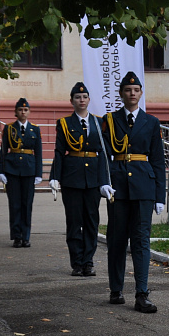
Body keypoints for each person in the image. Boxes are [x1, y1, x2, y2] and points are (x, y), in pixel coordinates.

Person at [101, 71, 166, 313]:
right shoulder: (109, 120)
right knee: (117, 239)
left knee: (141, 241)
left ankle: (142, 293)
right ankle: (116, 289)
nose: (132, 93)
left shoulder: (151, 122)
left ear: (141, 93)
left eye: (136, 90)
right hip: (118, 184)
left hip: (143, 186)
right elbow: (102, 155)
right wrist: (103, 181)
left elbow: (158, 160)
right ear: (121, 94)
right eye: (128, 90)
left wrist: (160, 196)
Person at [49, 82, 114, 277]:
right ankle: (76, 263)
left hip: (93, 179)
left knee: (92, 221)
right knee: (74, 222)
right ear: (72, 101)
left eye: (84, 97)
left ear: (89, 100)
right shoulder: (64, 123)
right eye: (78, 97)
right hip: (72, 178)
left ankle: (88, 261)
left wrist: (105, 180)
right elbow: (60, 152)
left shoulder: (99, 122)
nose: (82, 100)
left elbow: (103, 152)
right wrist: (55, 177)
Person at [0, 98, 43, 248]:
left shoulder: (35, 129)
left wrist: (38, 173)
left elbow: (39, 153)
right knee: (15, 204)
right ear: (15, 112)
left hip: (29, 170)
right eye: (20, 110)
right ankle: (16, 236)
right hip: (12, 169)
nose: (23, 112)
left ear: (29, 112)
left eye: (25, 110)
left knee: (27, 204)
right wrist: (1, 171)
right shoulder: (9, 128)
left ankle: (26, 236)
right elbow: (3, 150)